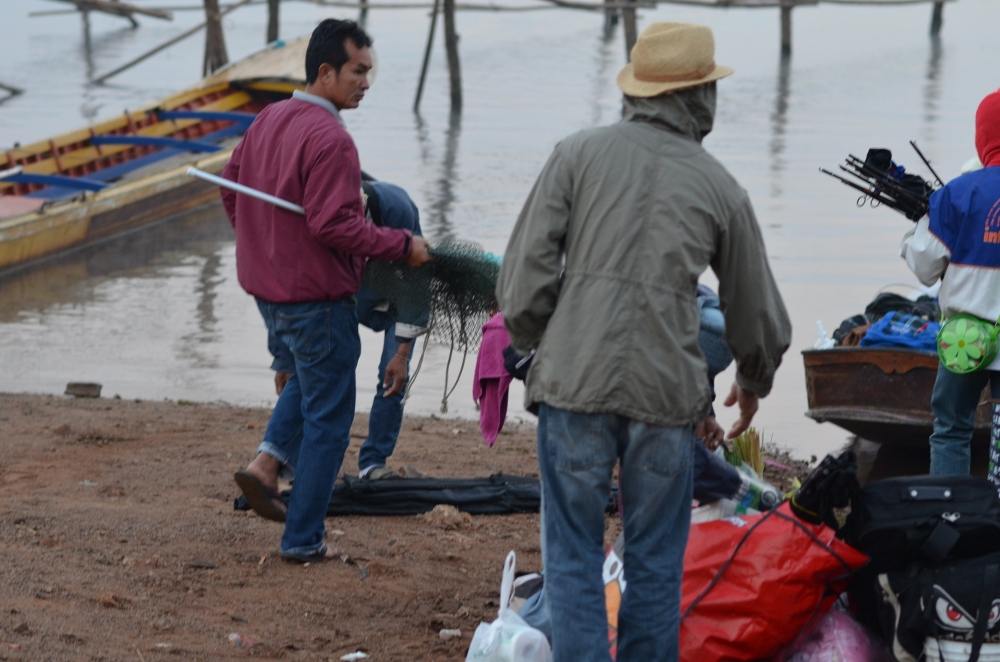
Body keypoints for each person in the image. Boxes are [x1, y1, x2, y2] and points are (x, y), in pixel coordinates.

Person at [496, 22, 791, 662]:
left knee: (572, 556)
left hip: (573, 386)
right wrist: (754, 376)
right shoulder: (721, 187)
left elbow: (521, 283)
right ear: (700, 96)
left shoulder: (575, 154)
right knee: (655, 562)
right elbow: (757, 309)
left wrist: (544, 342)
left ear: (640, 91)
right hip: (666, 397)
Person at [222, 19, 431, 563]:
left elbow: (232, 194)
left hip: (269, 293)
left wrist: (265, 243)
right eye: (357, 71)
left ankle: (266, 466)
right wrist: (401, 244)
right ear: (325, 72)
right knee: (330, 419)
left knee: (311, 383)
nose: (366, 82)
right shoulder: (331, 137)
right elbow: (335, 226)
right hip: (314, 298)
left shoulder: (267, 118)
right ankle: (303, 540)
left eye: (369, 71)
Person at [273, 181, 429, 481]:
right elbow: (297, 293)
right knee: (313, 371)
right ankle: (288, 458)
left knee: (392, 375)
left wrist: (402, 352)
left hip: (394, 296)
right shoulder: (316, 217)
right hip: (344, 295)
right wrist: (285, 355)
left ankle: (373, 463)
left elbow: (416, 283)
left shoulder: (396, 209)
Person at [902, 88, 1000, 475]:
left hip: (966, 338)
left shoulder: (956, 194)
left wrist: (914, 232)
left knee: (951, 429)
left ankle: (950, 513)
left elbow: (925, 267)